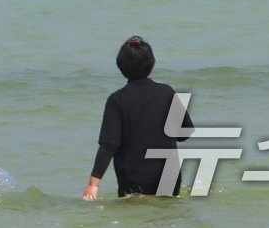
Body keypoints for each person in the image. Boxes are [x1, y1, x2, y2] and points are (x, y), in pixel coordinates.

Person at [83, 36, 194, 200]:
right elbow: (184, 133)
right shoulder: (167, 92)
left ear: (121, 67)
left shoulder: (117, 100)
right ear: (151, 63)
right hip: (169, 177)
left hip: (133, 179)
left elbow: (108, 145)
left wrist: (94, 184)